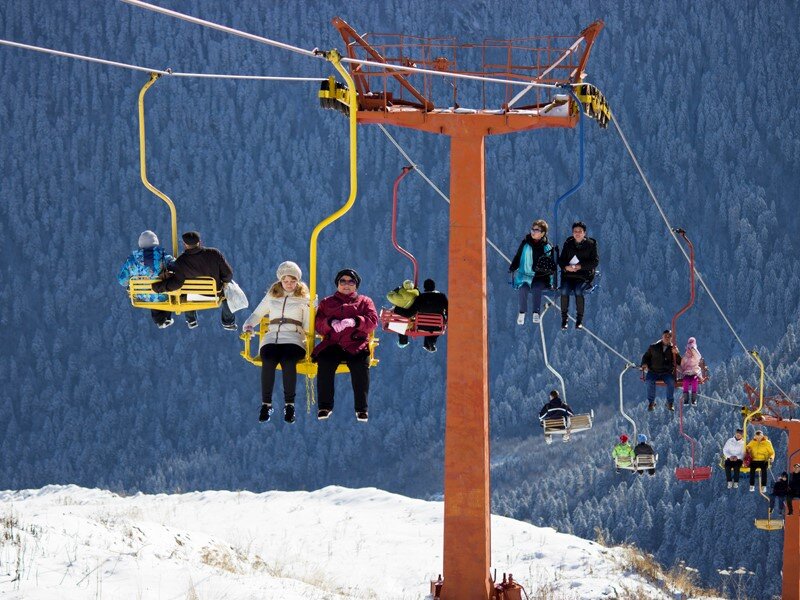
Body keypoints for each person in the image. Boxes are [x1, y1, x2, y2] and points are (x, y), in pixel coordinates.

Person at [242, 261, 309, 424]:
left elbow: (308, 325)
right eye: (286, 281)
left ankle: (289, 404)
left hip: (294, 338)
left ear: (298, 281)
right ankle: (266, 404)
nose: (289, 285)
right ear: (280, 280)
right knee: (268, 359)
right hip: (272, 337)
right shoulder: (273, 295)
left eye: (293, 281)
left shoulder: (304, 298)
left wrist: (311, 308)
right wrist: (249, 324)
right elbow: (258, 313)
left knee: (288, 360)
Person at [312, 269, 378, 422]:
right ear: (337, 284)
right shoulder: (327, 302)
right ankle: (325, 406)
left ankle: (362, 409)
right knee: (325, 363)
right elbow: (318, 324)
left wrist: (356, 321)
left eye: (351, 282)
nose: (346, 285)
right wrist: (330, 323)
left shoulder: (365, 302)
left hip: (356, 343)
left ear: (356, 285)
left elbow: (373, 321)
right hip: (332, 343)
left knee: (360, 367)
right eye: (343, 281)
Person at [152, 231, 236, 330]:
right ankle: (228, 322)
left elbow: (176, 284)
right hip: (214, 294)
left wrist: (157, 287)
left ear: (184, 244)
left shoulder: (180, 262)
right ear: (199, 242)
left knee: (184, 291)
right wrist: (223, 281)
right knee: (228, 292)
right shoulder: (214, 253)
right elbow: (228, 275)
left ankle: (191, 320)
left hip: (192, 296)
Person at [118, 230, 180, 328]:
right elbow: (178, 267)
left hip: (141, 295)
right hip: (162, 294)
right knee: (163, 288)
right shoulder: (163, 256)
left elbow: (122, 281)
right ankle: (164, 318)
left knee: (151, 292)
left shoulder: (131, 260)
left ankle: (160, 320)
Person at [509, 219, 556, 325]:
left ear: (543, 233)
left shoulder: (547, 247)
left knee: (536, 288)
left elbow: (551, 264)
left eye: (537, 230)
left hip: (541, 276)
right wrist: (513, 267)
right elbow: (518, 256)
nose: (533, 232)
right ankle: (522, 312)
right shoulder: (525, 243)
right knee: (523, 288)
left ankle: (536, 312)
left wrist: (549, 276)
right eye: (533, 229)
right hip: (525, 275)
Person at [557, 221, 599, 330]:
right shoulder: (568, 244)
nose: (577, 233)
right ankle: (564, 319)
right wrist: (566, 267)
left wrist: (581, 266)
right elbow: (561, 260)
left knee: (578, 291)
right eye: (575, 231)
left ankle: (579, 319)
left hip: (583, 275)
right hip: (569, 275)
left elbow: (594, 262)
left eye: (580, 231)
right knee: (564, 291)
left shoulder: (591, 245)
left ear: (584, 233)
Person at [641, 329, 682, 411]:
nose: (667, 338)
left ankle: (670, 402)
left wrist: (677, 354)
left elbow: (679, 362)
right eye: (665, 336)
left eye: (669, 336)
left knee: (671, 382)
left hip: (666, 372)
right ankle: (651, 402)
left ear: (671, 338)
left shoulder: (673, 349)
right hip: (653, 371)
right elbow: (646, 357)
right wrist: (644, 364)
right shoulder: (654, 347)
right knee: (649, 381)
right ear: (662, 337)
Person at [410, 278, 448, 352]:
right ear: (434, 287)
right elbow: (448, 309)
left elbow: (413, 311)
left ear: (424, 287)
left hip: (422, 325)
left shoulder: (420, 298)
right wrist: (446, 320)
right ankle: (429, 343)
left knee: (428, 325)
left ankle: (428, 344)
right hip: (438, 325)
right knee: (434, 325)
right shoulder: (441, 296)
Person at [386, 280, 419, 348]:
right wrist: (417, 290)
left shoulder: (399, 296)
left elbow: (389, 295)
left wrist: (397, 289)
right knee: (403, 319)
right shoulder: (416, 295)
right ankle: (402, 342)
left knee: (398, 319)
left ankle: (403, 342)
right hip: (412, 323)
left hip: (399, 322)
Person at [680, 337, 703, 406]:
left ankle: (694, 399)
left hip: (694, 372)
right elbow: (682, 364)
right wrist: (683, 368)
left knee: (694, 381)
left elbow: (698, 357)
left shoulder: (696, 354)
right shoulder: (686, 356)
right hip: (687, 373)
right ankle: (686, 399)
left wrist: (693, 350)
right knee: (685, 382)